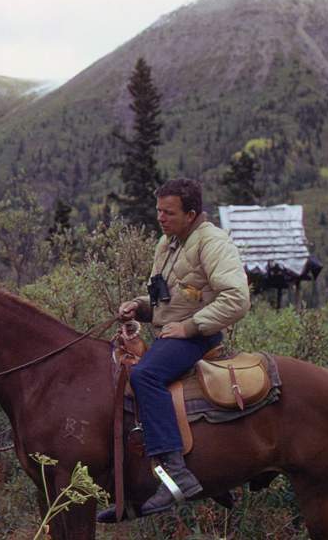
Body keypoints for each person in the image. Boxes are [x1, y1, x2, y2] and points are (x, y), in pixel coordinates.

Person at [98, 178, 250, 522]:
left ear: (191, 213)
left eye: (168, 212)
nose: (161, 219)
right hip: (174, 333)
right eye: (158, 211)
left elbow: (237, 299)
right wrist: (139, 306)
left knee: (145, 376)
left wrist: (190, 327)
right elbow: (166, 301)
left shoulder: (212, 243)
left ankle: (176, 472)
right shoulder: (168, 243)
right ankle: (134, 487)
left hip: (198, 337)